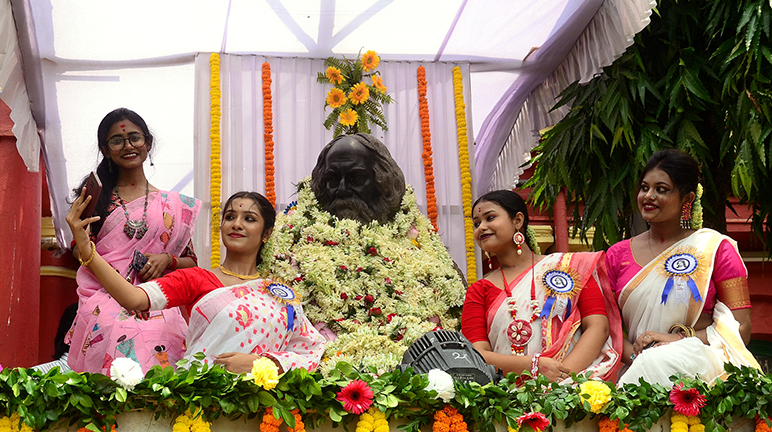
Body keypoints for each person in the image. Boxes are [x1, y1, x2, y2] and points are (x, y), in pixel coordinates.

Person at [263, 133, 466, 373]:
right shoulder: (287, 242)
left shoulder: (424, 246)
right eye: (332, 179)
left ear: (382, 182)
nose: (341, 189)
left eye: (356, 178)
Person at [67, 190, 325, 373]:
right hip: (204, 401)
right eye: (230, 217)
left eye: (249, 219)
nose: (236, 224)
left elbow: (310, 349)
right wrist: (86, 248)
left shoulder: (278, 292)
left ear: (266, 233)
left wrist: (261, 364)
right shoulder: (195, 278)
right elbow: (133, 299)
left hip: (268, 409)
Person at [65, 108, 202, 375]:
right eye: (117, 141)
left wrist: (167, 260)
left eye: (135, 138)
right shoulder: (95, 200)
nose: (128, 146)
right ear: (106, 150)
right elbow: (80, 252)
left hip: (156, 298)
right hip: (105, 296)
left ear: (147, 143)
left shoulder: (172, 205)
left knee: (164, 333)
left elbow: (192, 262)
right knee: (116, 327)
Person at [606, 149, 759, 386]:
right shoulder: (617, 255)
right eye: (644, 188)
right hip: (638, 372)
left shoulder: (716, 249)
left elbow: (742, 328)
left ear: (687, 199)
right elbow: (606, 328)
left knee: (658, 362)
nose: (649, 196)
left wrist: (677, 340)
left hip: (700, 368)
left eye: (661, 189)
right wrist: (639, 359)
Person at [462, 190, 621, 382]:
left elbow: (598, 326)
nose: (481, 227)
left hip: (573, 386)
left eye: (490, 218)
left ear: (518, 221)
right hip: (509, 393)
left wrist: (561, 381)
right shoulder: (478, 291)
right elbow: (477, 354)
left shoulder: (569, 267)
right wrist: (535, 366)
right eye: (476, 223)